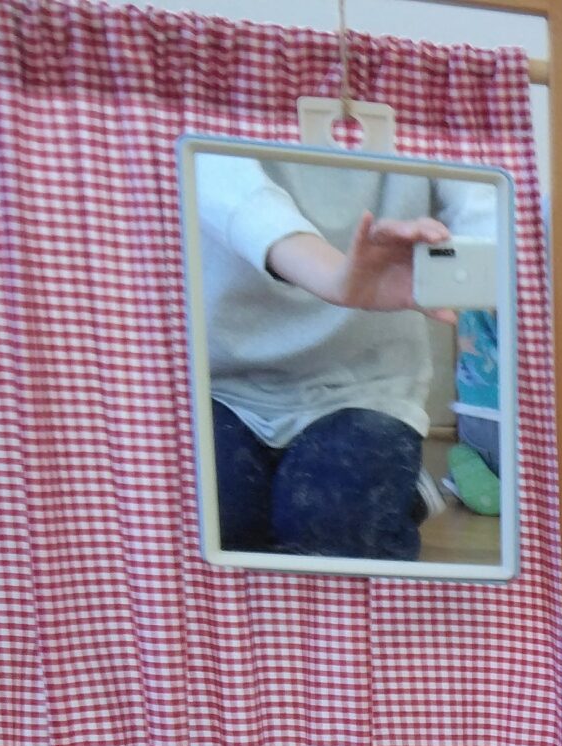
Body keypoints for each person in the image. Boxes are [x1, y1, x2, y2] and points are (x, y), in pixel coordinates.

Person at [194, 154, 495, 562]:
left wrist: (482, 267)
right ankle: (397, 493)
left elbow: (487, 201)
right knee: (221, 524)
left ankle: (390, 490)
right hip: (224, 384)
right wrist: (336, 277)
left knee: (336, 531)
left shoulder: (436, 121)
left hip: (367, 387)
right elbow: (235, 194)